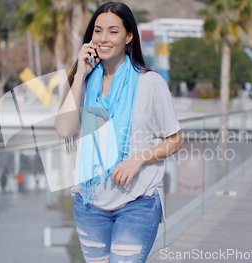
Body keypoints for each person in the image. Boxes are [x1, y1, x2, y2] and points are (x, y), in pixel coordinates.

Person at [54, 2, 182, 262]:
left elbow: (175, 140)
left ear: (129, 36)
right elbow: (64, 129)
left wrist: (138, 159)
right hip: (90, 204)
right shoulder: (85, 82)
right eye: (98, 31)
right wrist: (79, 75)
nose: (103, 38)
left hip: (138, 201)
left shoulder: (151, 82)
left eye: (113, 31)